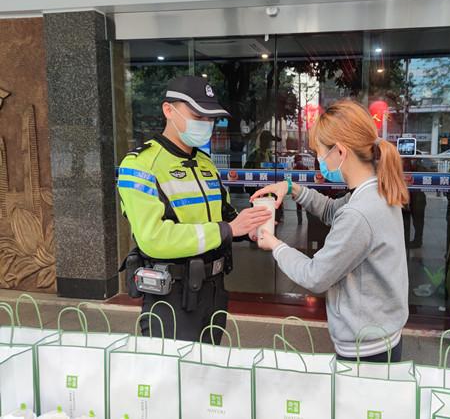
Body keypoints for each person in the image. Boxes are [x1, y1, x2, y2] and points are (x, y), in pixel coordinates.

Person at [250, 99, 410, 362]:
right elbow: (331, 210)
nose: (319, 160)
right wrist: (290, 188)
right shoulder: (374, 191)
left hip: (365, 349)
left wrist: (275, 245)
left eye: (320, 153)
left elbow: (315, 276)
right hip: (382, 335)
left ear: (340, 152)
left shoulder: (360, 213)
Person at [117, 75, 272, 342]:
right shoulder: (140, 165)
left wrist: (250, 227)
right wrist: (227, 230)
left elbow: (224, 214)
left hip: (214, 291)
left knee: (208, 364)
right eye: (198, 116)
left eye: (210, 118)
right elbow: (153, 238)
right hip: (172, 294)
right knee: (174, 367)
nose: (205, 124)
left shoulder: (205, 163)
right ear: (169, 110)